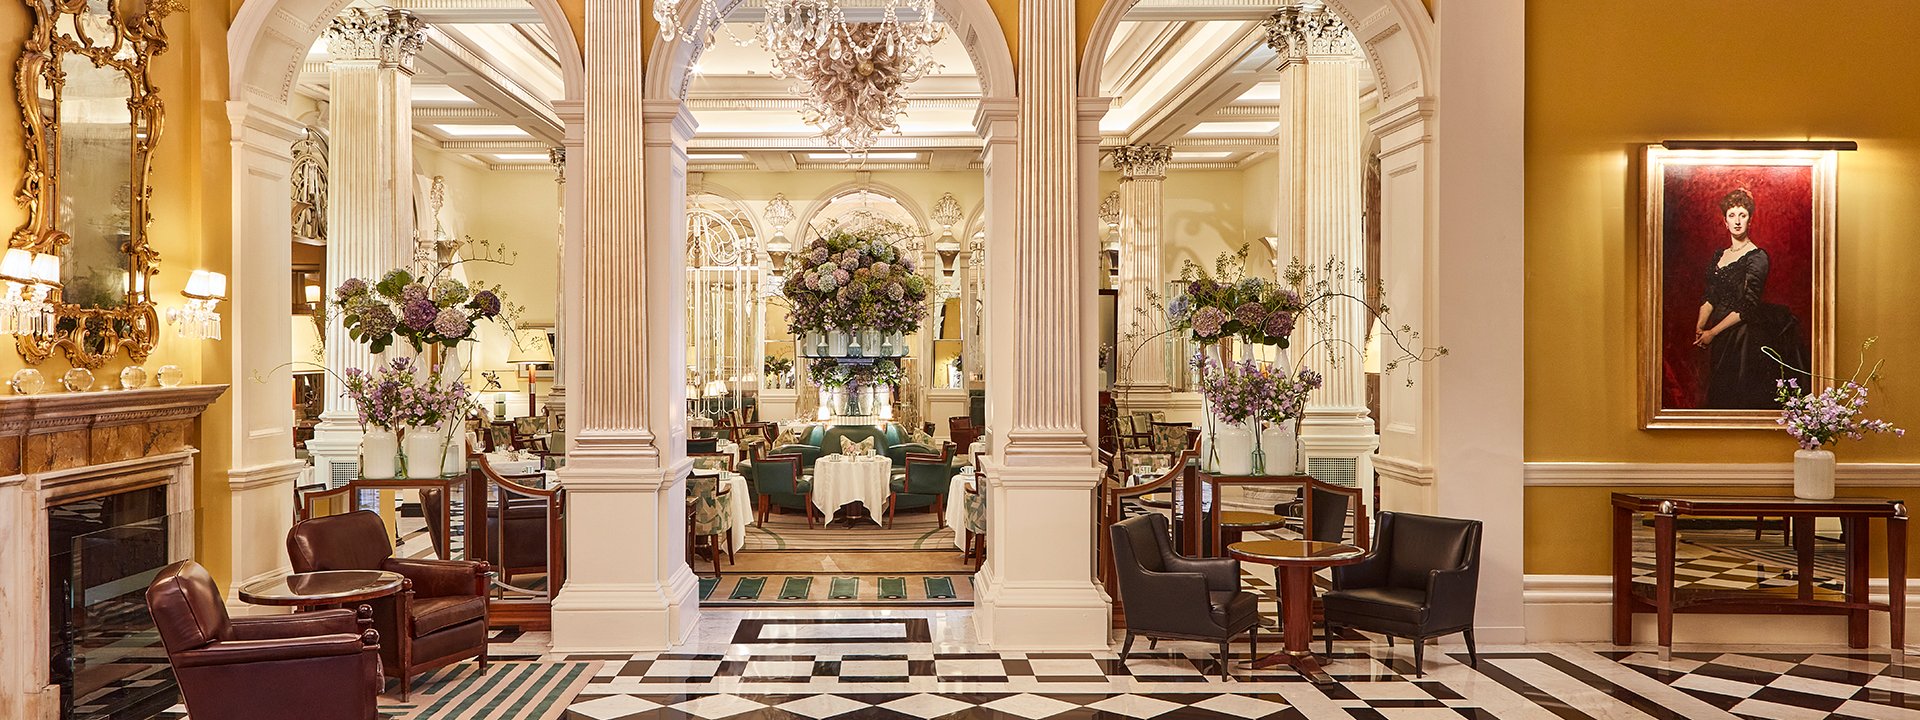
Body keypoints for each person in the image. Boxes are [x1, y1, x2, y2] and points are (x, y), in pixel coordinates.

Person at [1693, 188, 1800, 408]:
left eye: (1742, 215)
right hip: (1719, 335)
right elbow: (1711, 295)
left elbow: (1748, 305)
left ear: (1750, 219)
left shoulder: (1757, 256)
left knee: (1739, 393)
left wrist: (1712, 332)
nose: (1737, 221)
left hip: (1744, 335)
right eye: (1732, 215)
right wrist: (1701, 326)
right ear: (1725, 221)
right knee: (1720, 393)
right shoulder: (1719, 255)